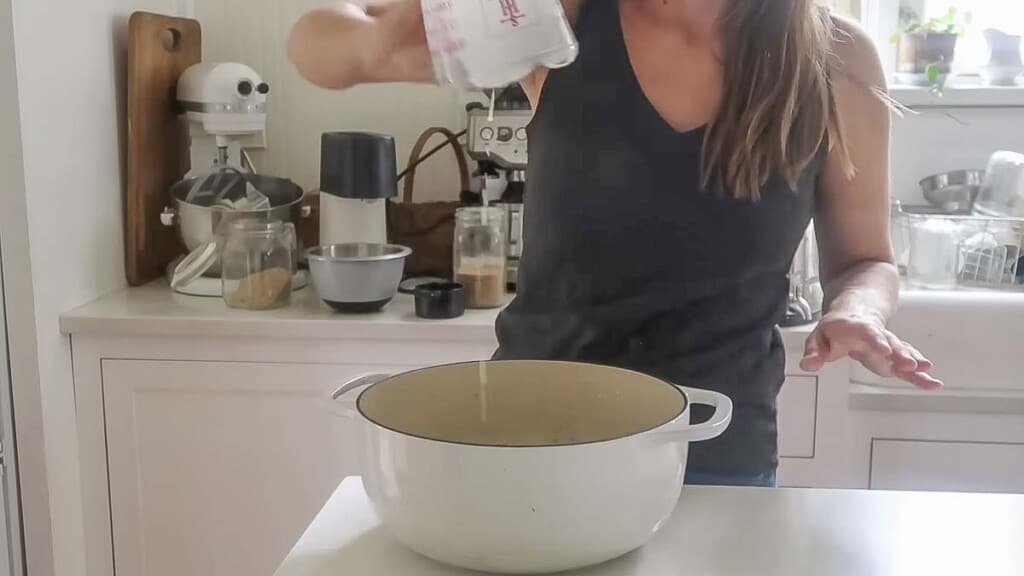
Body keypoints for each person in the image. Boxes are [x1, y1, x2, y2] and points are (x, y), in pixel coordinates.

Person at [288, 0, 943, 487]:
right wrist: (385, 39)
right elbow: (315, 46)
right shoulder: (561, 16)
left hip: (714, 452)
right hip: (531, 443)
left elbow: (865, 260)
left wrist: (856, 309)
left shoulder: (838, 58)